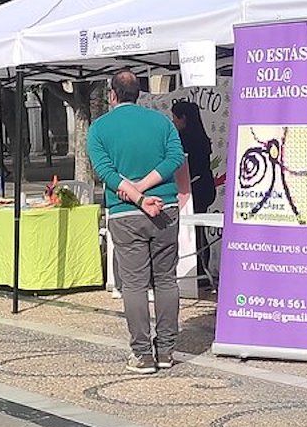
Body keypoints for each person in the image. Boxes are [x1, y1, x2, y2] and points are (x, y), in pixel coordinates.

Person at [87, 70, 187, 374]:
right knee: (167, 280)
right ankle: (167, 350)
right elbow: (175, 158)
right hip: (165, 207)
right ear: (139, 94)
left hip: (124, 213)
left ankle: (142, 353)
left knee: (134, 285)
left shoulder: (99, 128)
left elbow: (105, 171)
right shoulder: (161, 122)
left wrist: (135, 194)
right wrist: (145, 189)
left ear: (112, 94)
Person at [169, 102, 215, 215]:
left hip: (193, 189)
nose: (173, 121)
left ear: (183, 118)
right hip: (206, 186)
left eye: (174, 118)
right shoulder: (202, 138)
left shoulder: (184, 140)